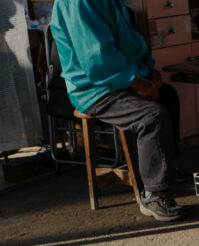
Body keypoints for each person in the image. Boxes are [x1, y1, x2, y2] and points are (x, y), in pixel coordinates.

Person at [51, 0, 187, 221]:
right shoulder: (78, 2)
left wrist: (146, 70)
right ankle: (154, 193)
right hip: (93, 89)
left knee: (168, 95)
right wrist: (136, 82)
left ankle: (166, 171)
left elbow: (130, 41)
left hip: (117, 79)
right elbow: (97, 59)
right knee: (151, 116)